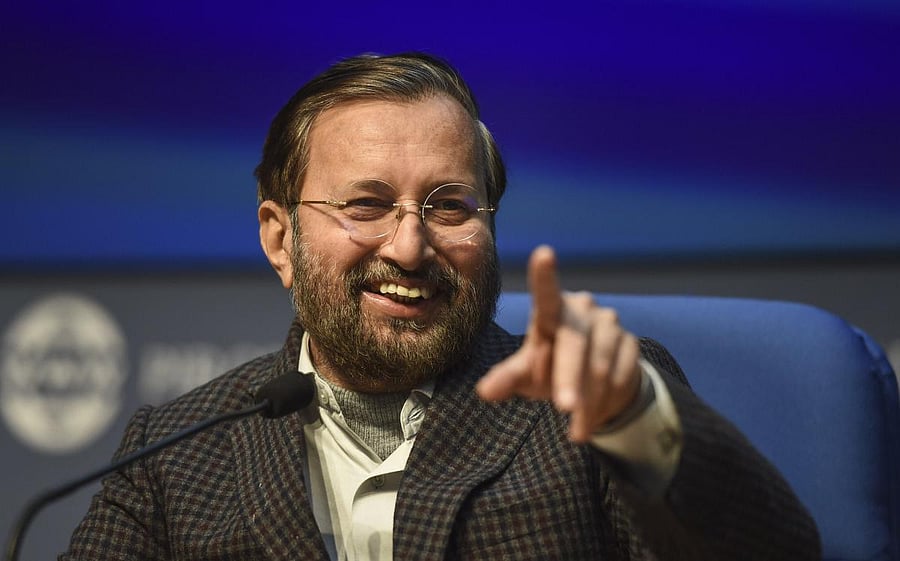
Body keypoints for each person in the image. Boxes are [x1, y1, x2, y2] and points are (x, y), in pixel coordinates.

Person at [63, 52, 820, 560]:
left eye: (449, 204)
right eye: (366, 204)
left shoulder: (585, 407)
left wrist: (636, 423)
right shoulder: (172, 453)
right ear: (280, 236)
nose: (410, 246)